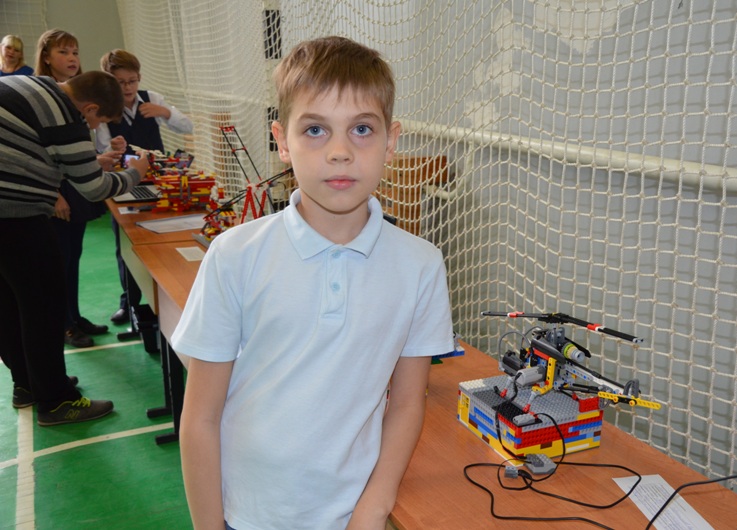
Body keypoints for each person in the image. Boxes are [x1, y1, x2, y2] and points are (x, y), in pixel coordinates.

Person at [174, 36, 454, 529]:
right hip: (249, 514)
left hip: (352, 514)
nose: (340, 152)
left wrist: (375, 505)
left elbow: (409, 401)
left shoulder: (421, 265)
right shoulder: (235, 255)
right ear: (282, 141)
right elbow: (200, 417)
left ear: (391, 141)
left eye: (362, 129)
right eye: (316, 130)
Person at [0, 71, 150, 425]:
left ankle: (28, 384)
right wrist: (137, 173)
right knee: (44, 308)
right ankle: (56, 402)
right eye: (97, 120)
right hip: (15, 216)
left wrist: (89, 164)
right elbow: (95, 189)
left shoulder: (35, 86)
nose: (93, 126)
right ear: (90, 107)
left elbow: (32, 150)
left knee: (9, 303)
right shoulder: (67, 116)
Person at [95, 48, 194, 325]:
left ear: (139, 78)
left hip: (158, 182)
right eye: (120, 83)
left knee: (160, 243)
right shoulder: (105, 108)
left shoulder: (152, 99)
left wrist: (165, 112)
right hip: (123, 186)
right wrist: (111, 146)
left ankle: (163, 300)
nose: (127, 88)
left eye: (132, 81)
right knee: (125, 245)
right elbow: (100, 149)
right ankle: (128, 303)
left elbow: (188, 126)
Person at [35, 29, 115, 348]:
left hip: (76, 187)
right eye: (63, 52)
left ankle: (75, 315)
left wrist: (99, 159)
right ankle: (64, 324)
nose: (71, 59)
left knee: (73, 257)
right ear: (46, 57)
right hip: (56, 191)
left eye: (75, 52)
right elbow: (41, 153)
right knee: (60, 259)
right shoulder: (44, 95)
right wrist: (53, 194)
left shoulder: (79, 95)